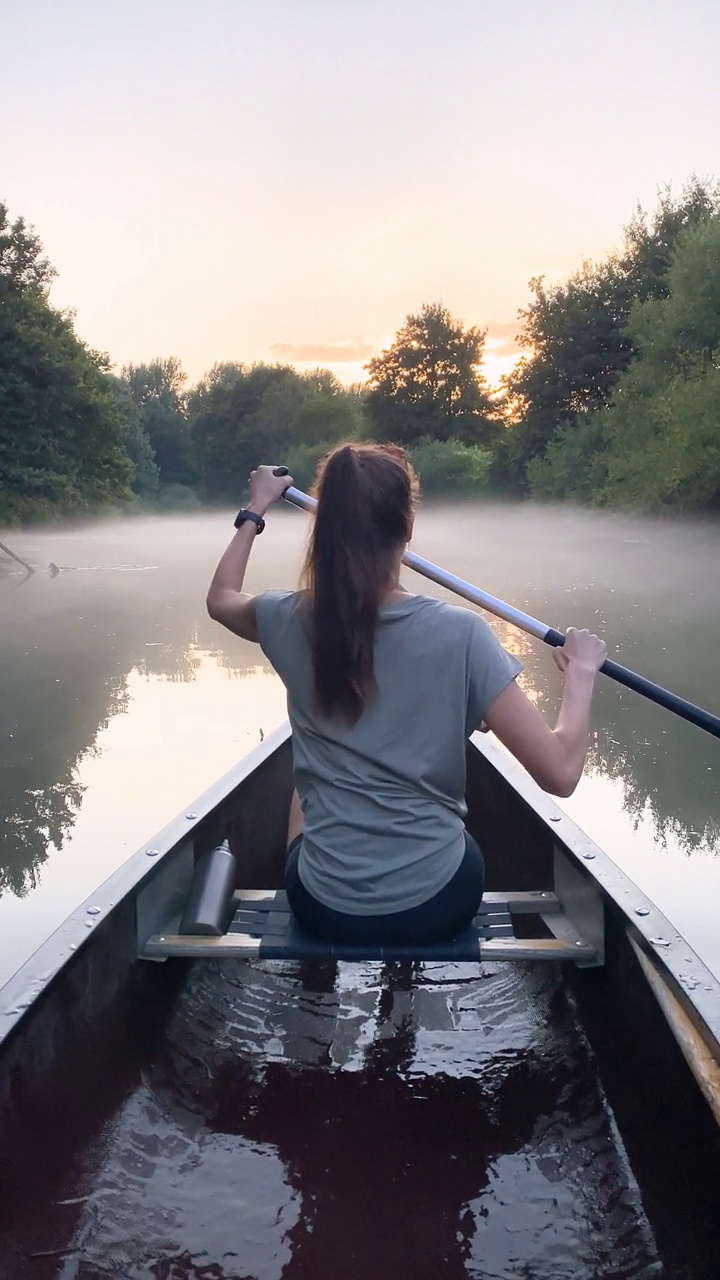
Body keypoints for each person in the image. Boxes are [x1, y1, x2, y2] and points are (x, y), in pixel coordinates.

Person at [206, 444, 607, 945]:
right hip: (437, 902)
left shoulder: (287, 617)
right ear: (408, 526)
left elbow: (221, 599)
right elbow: (561, 773)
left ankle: (318, 978)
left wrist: (257, 507)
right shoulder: (462, 635)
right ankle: (401, 1007)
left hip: (323, 905)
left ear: (323, 529)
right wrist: (581, 673)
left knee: (301, 796)